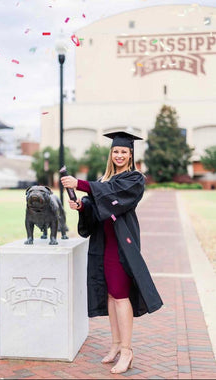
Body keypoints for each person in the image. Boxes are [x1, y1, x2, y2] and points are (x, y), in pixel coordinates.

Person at [61, 131, 163, 374]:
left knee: (120, 295)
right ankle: (116, 344)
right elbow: (97, 204)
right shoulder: (105, 179)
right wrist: (82, 205)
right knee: (110, 295)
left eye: (123, 152)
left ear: (130, 155)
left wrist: (82, 185)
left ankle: (127, 350)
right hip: (103, 243)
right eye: (116, 151)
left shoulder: (135, 179)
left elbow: (113, 196)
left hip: (121, 244)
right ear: (111, 154)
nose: (119, 155)